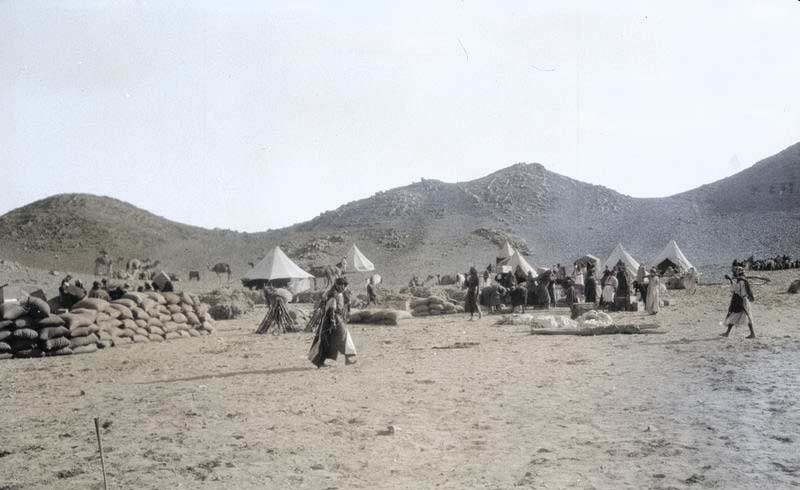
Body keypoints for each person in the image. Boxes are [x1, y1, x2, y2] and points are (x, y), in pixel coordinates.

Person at [308, 277, 357, 367]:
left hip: (336, 318)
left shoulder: (337, 293)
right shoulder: (333, 294)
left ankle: (347, 358)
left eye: (344, 285)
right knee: (332, 339)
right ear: (337, 285)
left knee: (333, 339)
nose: (343, 287)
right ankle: (319, 361)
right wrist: (333, 321)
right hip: (332, 319)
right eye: (341, 285)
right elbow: (331, 309)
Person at [721, 267, 755, 338]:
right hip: (744, 300)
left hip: (741, 301)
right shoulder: (743, 280)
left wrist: (730, 279)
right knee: (744, 316)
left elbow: (737, 289)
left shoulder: (741, 281)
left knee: (734, 315)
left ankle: (752, 334)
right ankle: (727, 333)